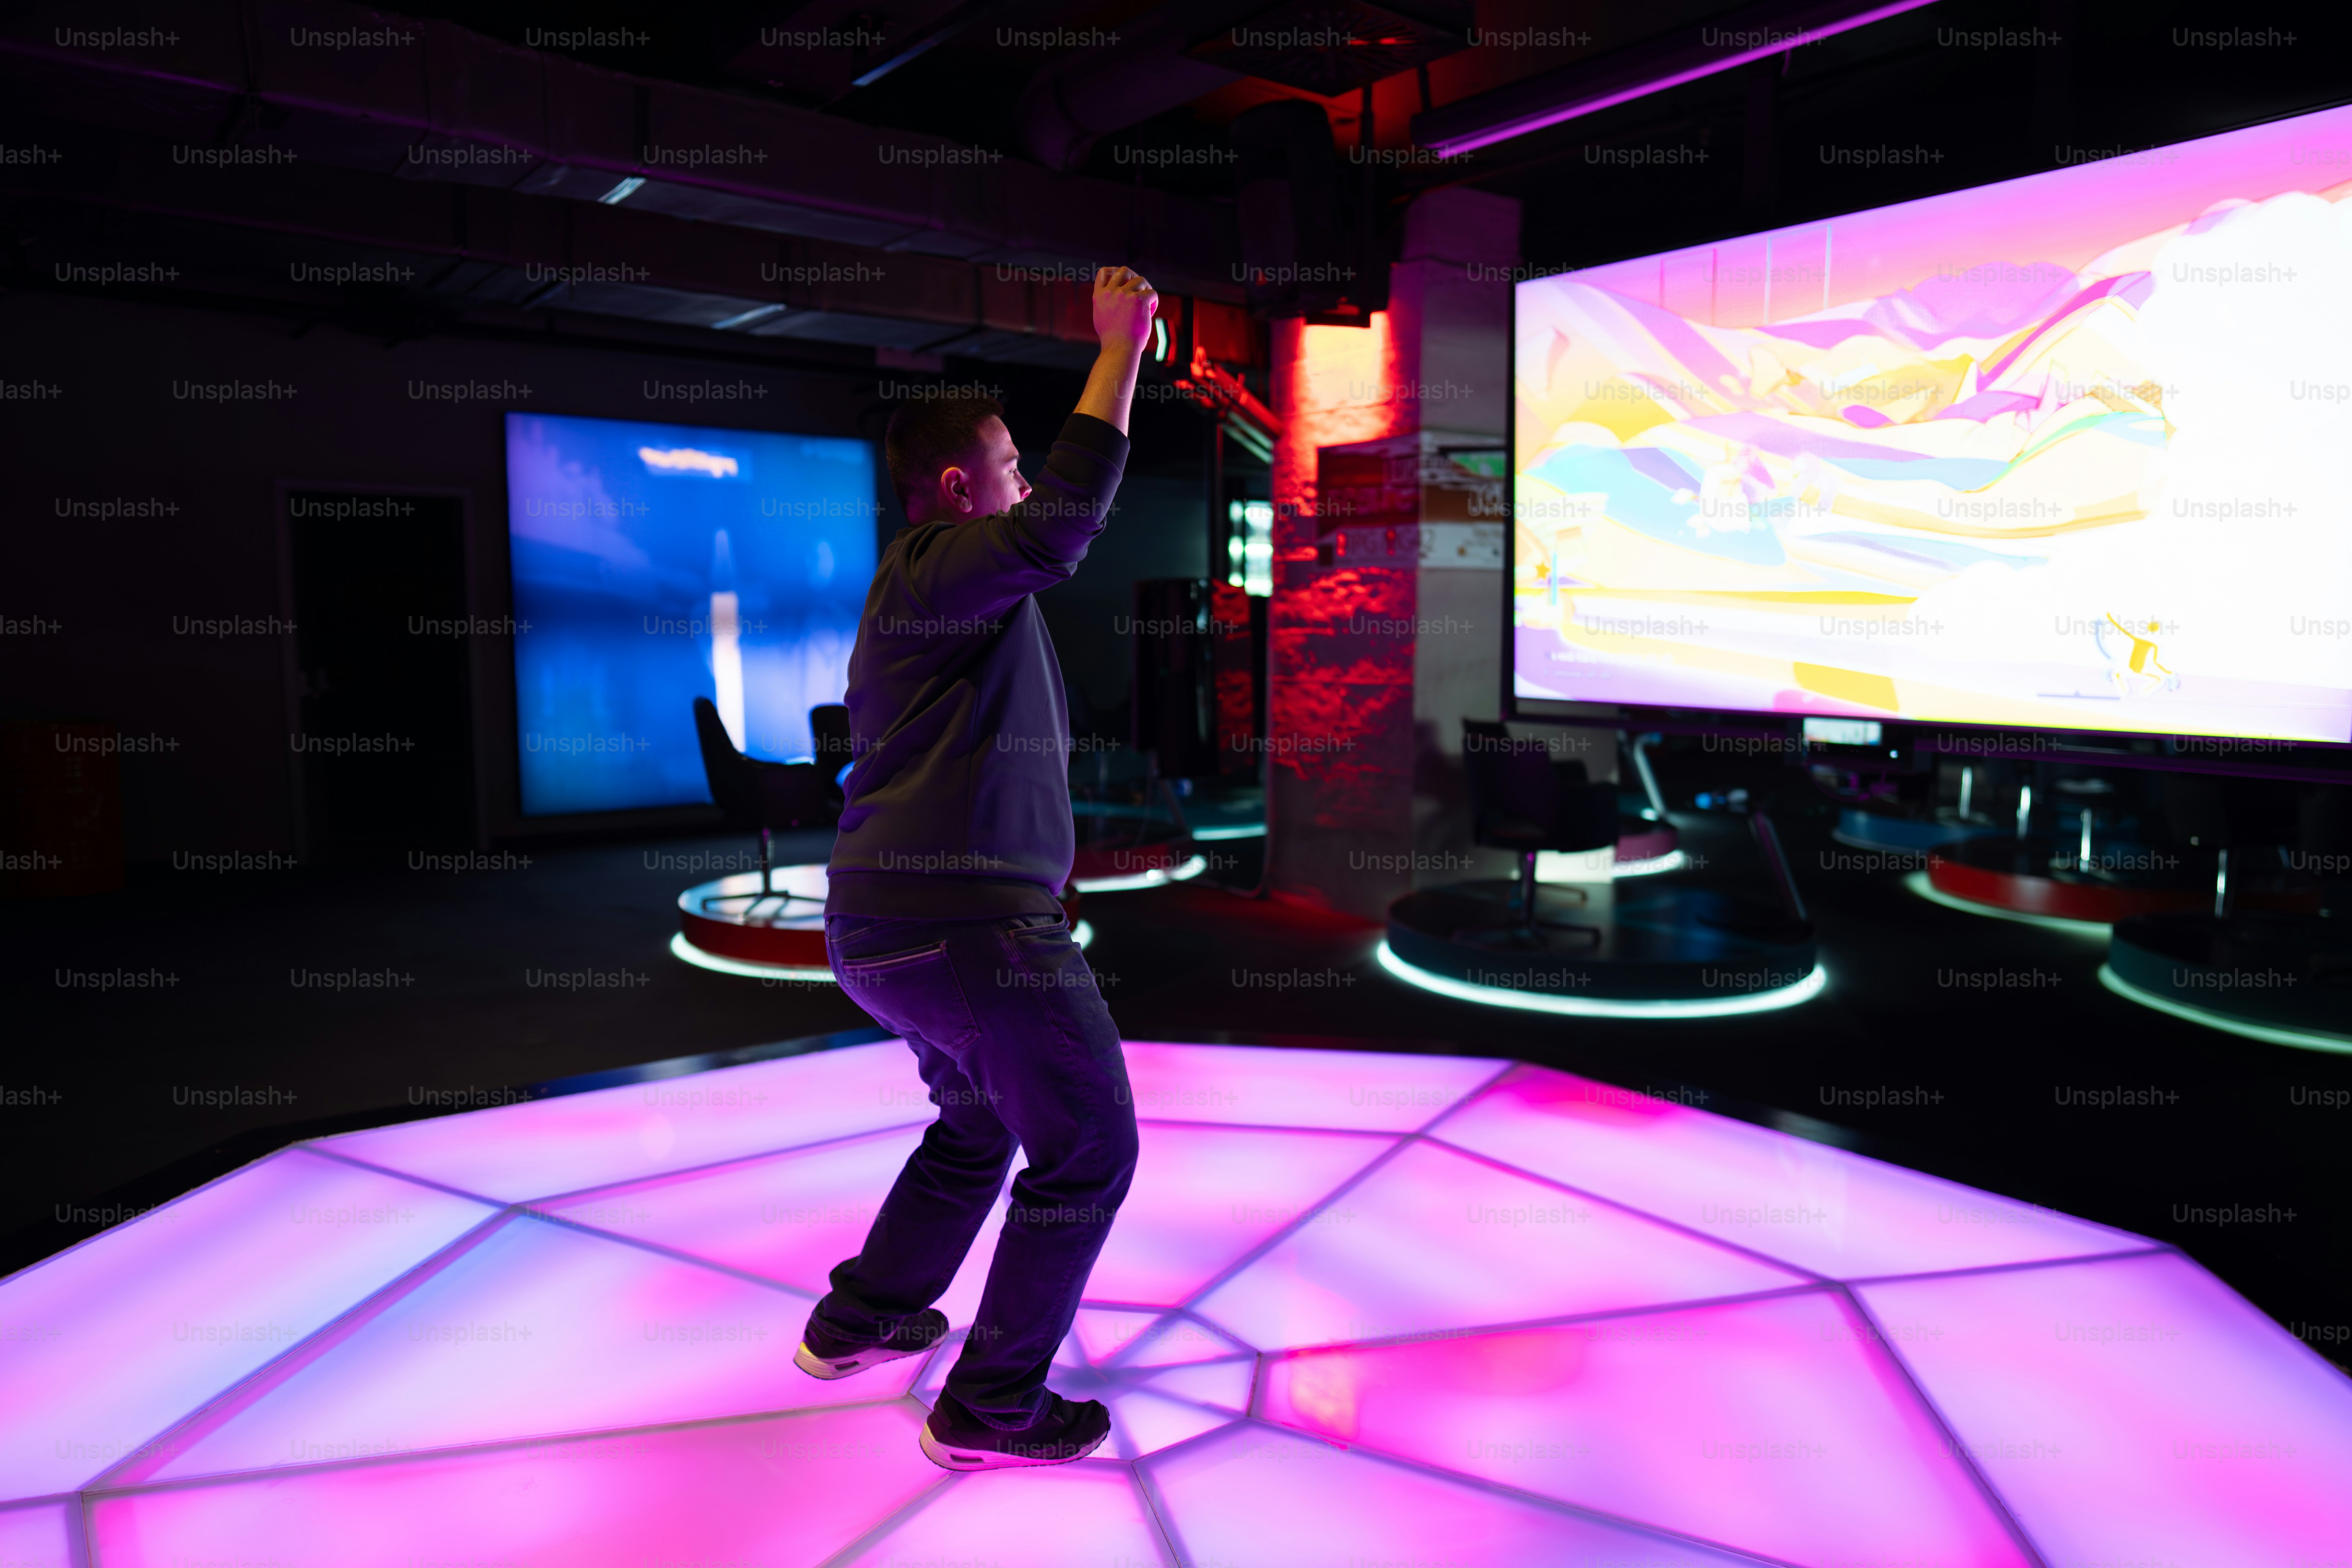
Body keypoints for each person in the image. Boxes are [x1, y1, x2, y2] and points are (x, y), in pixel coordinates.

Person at [792, 265, 1159, 1471]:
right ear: (958, 487)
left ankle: (863, 1317)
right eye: (1011, 466)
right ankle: (995, 1403)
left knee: (975, 1127)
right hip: (964, 932)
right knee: (1089, 1146)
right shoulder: (942, 558)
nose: (1024, 491)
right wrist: (1121, 343)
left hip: (899, 926)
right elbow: (1063, 523)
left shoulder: (947, 591)